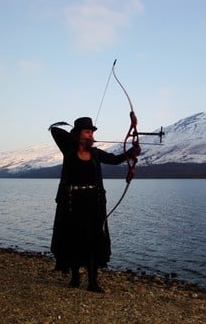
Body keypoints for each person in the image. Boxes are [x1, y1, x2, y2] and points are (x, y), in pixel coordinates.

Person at [49, 117, 140, 292]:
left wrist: (131, 152)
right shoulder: (68, 150)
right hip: (72, 202)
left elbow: (115, 159)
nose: (91, 135)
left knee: (93, 241)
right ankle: (75, 279)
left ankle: (93, 282)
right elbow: (55, 130)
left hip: (93, 202)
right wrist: (76, 140)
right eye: (87, 132)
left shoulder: (96, 153)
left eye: (92, 132)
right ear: (78, 134)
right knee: (74, 239)